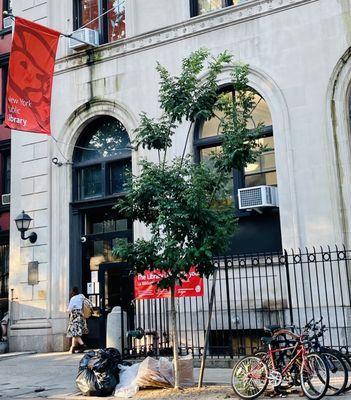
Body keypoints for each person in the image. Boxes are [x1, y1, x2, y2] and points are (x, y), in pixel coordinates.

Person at [67, 287, 88, 354]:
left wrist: (66, 311)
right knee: (75, 331)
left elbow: (69, 309)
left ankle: (83, 345)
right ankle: (73, 348)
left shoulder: (73, 298)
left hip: (75, 316)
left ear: (73, 292)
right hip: (81, 315)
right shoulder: (82, 296)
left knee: (74, 332)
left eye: (71, 292)